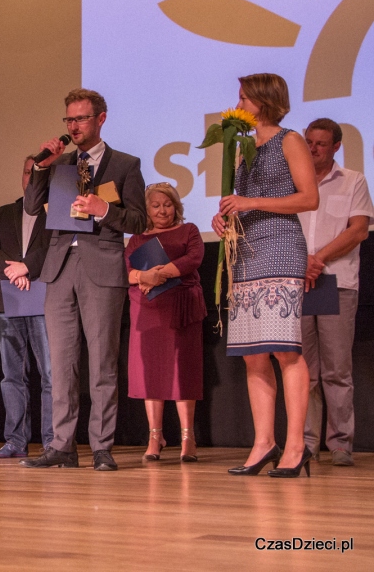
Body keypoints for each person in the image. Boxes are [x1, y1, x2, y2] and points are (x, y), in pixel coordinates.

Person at [22, 88, 146, 471]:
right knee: (61, 364)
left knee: (102, 363)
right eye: (69, 120)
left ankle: (102, 446)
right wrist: (42, 168)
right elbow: (30, 207)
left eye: (81, 118)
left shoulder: (125, 164)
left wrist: (103, 208)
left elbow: (139, 221)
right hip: (59, 268)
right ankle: (61, 444)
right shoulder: (58, 165)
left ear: (101, 119)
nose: (74, 126)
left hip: (102, 266)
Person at [213, 73, 318, 478]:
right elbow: (239, 203)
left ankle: (296, 446)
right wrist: (224, 218)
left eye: (243, 96)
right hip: (245, 251)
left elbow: (309, 197)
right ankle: (263, 443)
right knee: (253, 355)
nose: (237, 101)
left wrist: (250, 201)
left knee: (284, 350)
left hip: (279, 248)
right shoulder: (243, 147)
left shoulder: (289, 139)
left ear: (263, 99)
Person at [299, 118, 373, 467]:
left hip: (335, 281)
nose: (313, 149)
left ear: (336, 147)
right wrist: (302, 264)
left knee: (337, 370)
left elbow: (358, 230)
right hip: (297, 284)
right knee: (304, 370)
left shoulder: (353, 181)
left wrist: (318, 259)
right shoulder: (292, 181)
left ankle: (341, 443)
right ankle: (306, 442)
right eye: (309, 142)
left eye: (321, 144)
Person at [125, 183, 206, 462]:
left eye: (167, 204)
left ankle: (187, 437)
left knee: (183, 372)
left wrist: (160, 275)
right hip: (147, 310)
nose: (162, 210)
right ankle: (155, 436)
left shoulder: (189, 231)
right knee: (151, 375)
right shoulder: (136, 239)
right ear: (146, 210)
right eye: (156, 205)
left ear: (176, 206)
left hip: (181, 308)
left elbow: (194, 258)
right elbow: (127, 271)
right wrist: (144, 277)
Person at [0, 156, 53, 458]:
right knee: (12, 374)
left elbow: (55, 249)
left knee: (51, 374)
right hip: (7, 300)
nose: (31, 178)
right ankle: (15, 441)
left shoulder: (57, 213)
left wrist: (26, 268)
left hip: (45, 299)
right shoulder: (3, 213)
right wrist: (9, 270)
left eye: (36, 174)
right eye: (27, 172)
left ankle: (52, 441)